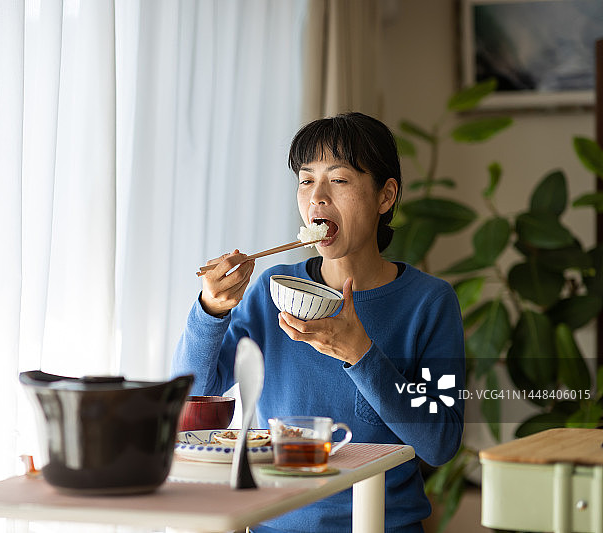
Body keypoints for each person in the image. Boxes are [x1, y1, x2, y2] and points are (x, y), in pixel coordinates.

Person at [171, 112, 465, 533]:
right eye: (306, 180)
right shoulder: (272, 290)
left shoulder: (429, 302)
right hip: (270, 524)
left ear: (385, 197)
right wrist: (211, 309)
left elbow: (439, 445)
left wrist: (361, 354)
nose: (317, 198)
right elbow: (189, 399)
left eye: (339, 180)